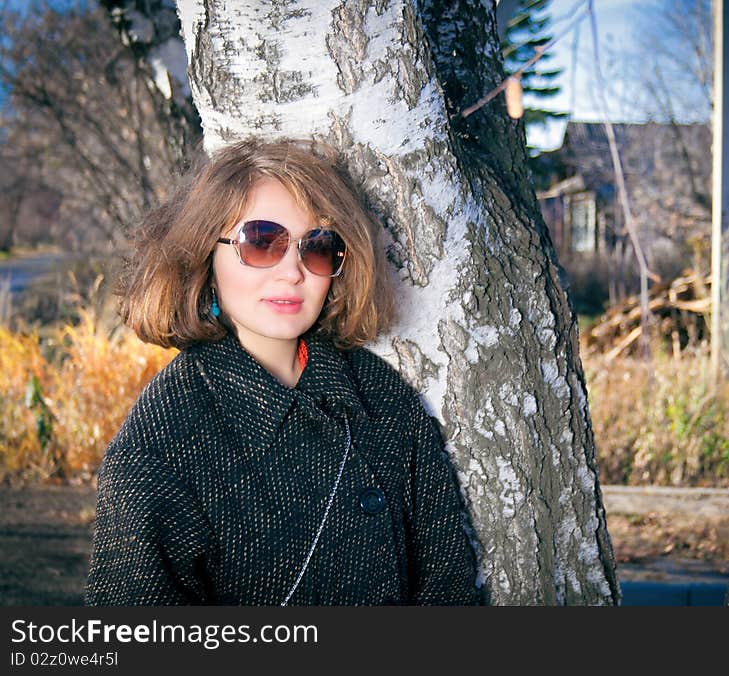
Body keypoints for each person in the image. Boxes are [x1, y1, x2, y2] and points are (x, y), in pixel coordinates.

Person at [84, 138, 480, 606]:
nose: (294, 271)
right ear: (204, 257)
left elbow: (448, 589)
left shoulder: (381, 397)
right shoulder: (162, 441)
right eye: (262, 241)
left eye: (317, 247)